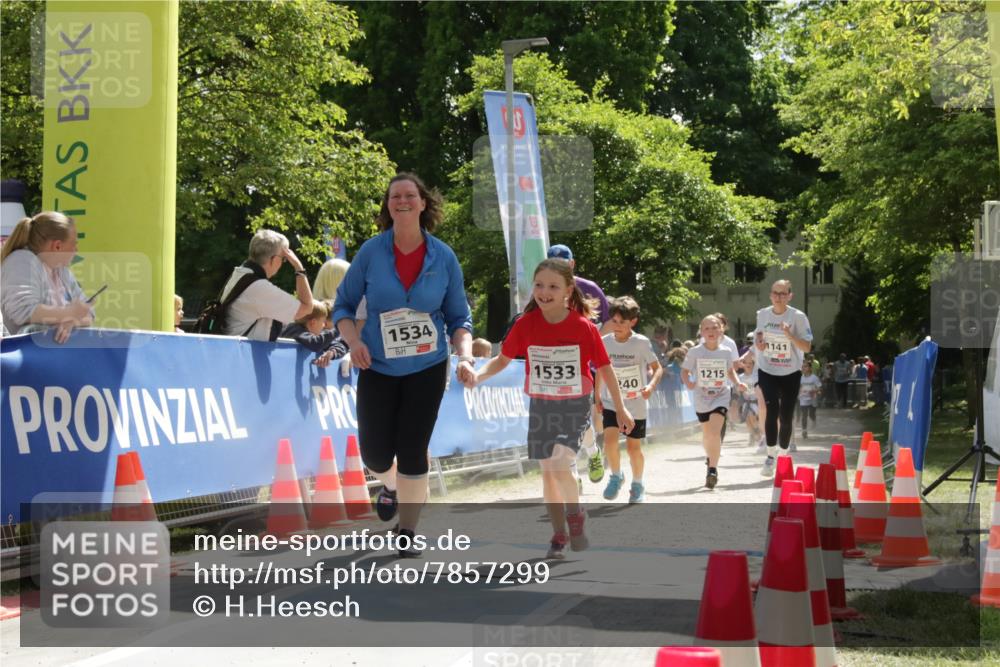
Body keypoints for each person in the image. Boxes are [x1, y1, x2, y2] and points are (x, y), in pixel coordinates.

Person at [333, 172, 474, 558]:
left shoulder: (443, 257)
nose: (403, 201)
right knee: (375, 455)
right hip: (377, 364)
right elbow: (342, 307)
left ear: (423, 203)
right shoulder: (371, 252)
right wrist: (355, 341)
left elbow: (459, 317)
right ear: (388, 205)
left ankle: (407, 531)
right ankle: (393, 485)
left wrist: (465, 355)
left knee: (413, 449)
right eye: (395, 196)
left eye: (410, 195)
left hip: (427, 367)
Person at [469, 258, 634, 559]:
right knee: (548, 473)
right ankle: (558, 535)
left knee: (559, 462)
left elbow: (606, 369)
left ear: (568, 291)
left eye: (553, 287)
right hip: (542, 404)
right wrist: (478, 377)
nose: (544, 292)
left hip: (574, 404)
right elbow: (503, 359)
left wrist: (620, 409)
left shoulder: (583, 327)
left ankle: (575, 516)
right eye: (539, 285)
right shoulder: (525, 324)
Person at [545, 243, 610, 485]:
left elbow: (609, 321)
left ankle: (592, 453)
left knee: (579, 419)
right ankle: (571, 470)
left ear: (572, 264)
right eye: (553, 262)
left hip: (583, 366)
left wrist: (591, 342)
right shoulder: (541, 289)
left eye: (563, 263)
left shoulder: (588, 288)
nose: (558, 267)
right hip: (552, 366)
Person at [596, 296, 663, 503]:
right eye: (614, 321)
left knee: (634, 448)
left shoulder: (641, 343)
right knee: (609, 441)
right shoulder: (605, 342)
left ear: (633, 321)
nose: (617, 326)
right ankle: (616, 476)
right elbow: (600, 369)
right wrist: (597, 394)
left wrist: (650, 386)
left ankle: (637, 483)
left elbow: (657, 368)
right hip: (610, 402)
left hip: (635, 404)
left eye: (622, 322)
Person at [0, 211, 93, 344]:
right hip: (24, 358)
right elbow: (22, 311)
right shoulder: (21, 261)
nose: (76, 249)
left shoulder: (63, 272)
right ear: (57, 246)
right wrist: (68, 313)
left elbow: (89, 314)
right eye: (74, 243)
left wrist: (71, 321)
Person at [754, 279, 813, 477]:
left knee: (786, 415)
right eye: (775, 293)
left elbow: (807, 347)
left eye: (783, 293)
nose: (779, 297)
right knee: (772, 409)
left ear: (790, 295)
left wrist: (790, 336)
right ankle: (770, 456)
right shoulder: (762, 314)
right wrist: (760, 343)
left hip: (790, 371)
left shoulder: (798, 316)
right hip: (767, 369)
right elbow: (759, 335)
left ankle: (784, 454)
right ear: (770, 295)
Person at [681, 315, 747, 489]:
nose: (711, 332)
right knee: (707, 434)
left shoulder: (725, 351)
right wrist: (688, 382)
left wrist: (737, 383)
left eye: (714, 328)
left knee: (715, 431)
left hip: (720, 395)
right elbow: (685, 372)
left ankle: (712, 469)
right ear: (701, 331)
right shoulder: (695, 351)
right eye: (707, 328)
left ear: (721, 330)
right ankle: (710, 459)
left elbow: (730, 371)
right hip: (701, 397)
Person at [220, 229, 313, 341]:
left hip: (231, 349)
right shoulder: (259, 289)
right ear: (273, 259)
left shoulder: (240, 273)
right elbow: (306, 308)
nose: (283, 263)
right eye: (284, 258)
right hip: (242, 354)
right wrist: (299, 269)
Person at [279, 300, 349, 367]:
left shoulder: (308, 332)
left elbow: (336, 344)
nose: (324, 326)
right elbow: (316, 343)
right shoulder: (295, 330)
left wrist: (332, 352)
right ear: (313, 322)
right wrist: (339, 328)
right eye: (323, 322)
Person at [798, 361, 822, 439]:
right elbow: (798, 387)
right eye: (802, 367)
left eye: (806, 366)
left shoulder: (814, 377)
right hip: (803, 398)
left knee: (811, 414)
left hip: (812, 398)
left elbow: (820, 388)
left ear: (810, 368)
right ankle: (804, 431)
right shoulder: (800, 377)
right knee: (804, 415)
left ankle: (813, 419)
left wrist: (814, 391)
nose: (803, 368)